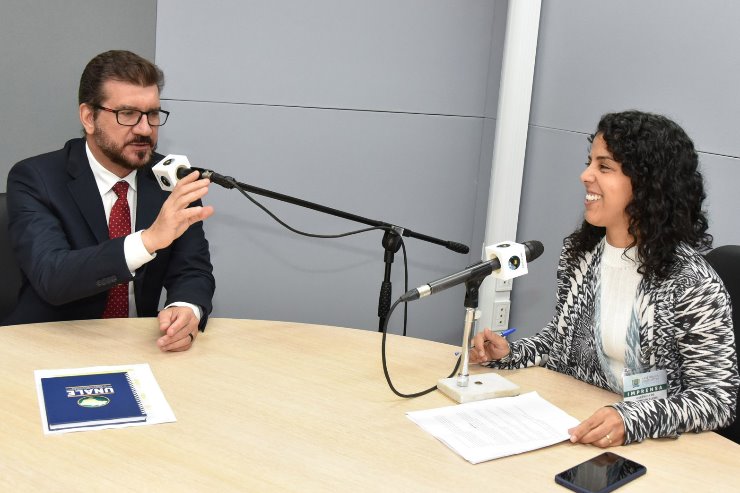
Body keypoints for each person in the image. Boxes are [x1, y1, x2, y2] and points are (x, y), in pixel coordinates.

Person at [471, 110, 738, 446]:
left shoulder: (691, 284)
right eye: (589, 162)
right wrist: (510, 354)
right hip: (575, 424)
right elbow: (561, 339)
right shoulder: (580, 254)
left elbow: (717, 400)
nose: (585, 175)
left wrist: (633, 419)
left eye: (604, 166)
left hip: (655, 448)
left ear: (647, 183)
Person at [3, 50, 215, 352]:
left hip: (140, 345)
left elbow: (192, 270)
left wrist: (186, 309)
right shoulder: (36, 178)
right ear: (89, 117)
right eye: (127, 114)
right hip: (47, 345)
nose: (145, 129)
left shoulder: (171, 177)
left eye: (152, 114)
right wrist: (147, 241)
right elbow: (52, 276)